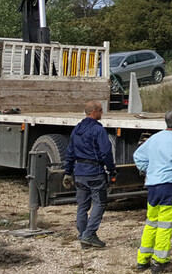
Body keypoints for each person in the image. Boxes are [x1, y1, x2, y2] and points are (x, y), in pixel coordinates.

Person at [134, 107, 172, 273]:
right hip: (169, 185)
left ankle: (143, 259)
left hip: (153, 186)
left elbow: (138, 156)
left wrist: (148, 169)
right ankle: (160, 262)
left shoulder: (154, 138)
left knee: (151, 222)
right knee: (165, 225)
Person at [63, 100, 117, 249]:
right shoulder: (98, 130)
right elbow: (106, 151)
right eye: (100, 110)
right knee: (99, 203)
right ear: (94, 111)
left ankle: (83, 236)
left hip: (79, 172)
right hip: (95, 172)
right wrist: (112, 169)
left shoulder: (77, 129)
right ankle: (89, 234)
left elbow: (70, 152)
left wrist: (68, 172)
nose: (102, 113)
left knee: (82, 206)